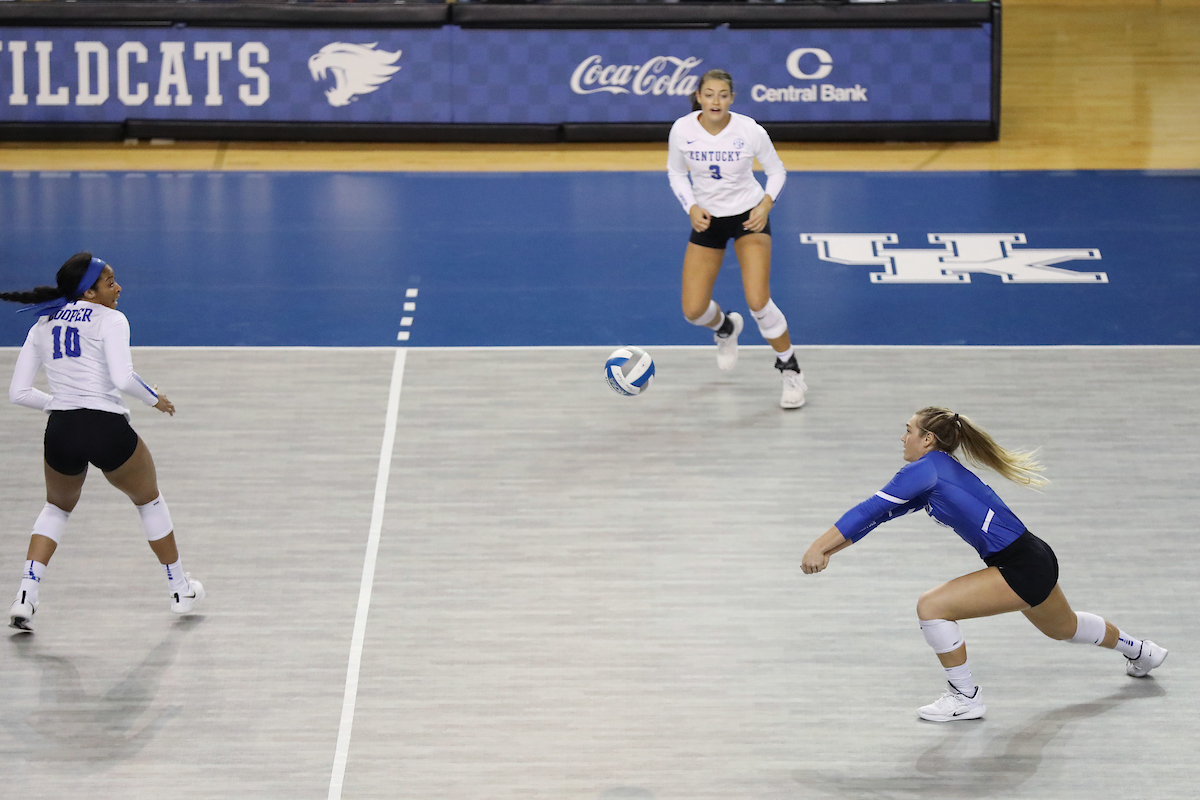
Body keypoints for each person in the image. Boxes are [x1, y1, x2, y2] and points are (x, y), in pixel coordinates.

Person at [801, 406, 1167, 722]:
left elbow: (868, 508)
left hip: (1018, 566)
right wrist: (831, 551)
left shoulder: (925, 470)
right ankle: (1142, 652)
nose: (902, 438)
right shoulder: (936, 471)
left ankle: (965, 698)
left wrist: (818, 545)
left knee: (932, 606)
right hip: (1035, 556)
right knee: (1064, 628)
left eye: (908, 430)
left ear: (927, 439)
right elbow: (879, 517)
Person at [3, 252, 204, 632]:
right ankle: (180, 589)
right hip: (107, 428)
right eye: (110, 282)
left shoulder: (42, 324)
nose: (119, 288)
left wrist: (60, 405)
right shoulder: (111, 319)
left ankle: (26, 596)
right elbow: (123, 378)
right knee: (149, 501)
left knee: (56, 510)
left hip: (61, 430)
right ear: (90, 292)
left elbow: (18, 393)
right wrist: (155, 399)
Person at [667, 69, 806, 409]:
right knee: (694, 310)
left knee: (758, 300)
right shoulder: (682, 130)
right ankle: (726, 326)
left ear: (731, 98)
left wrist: (766, 203)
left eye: (723, 95)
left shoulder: (749, 130)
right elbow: (676, 171)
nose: (716, 101)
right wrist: (691, 205)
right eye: (709, 94)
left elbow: (777, 170)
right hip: (708, 220)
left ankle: (790, 369)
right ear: (698, 96)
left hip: (748, 217)